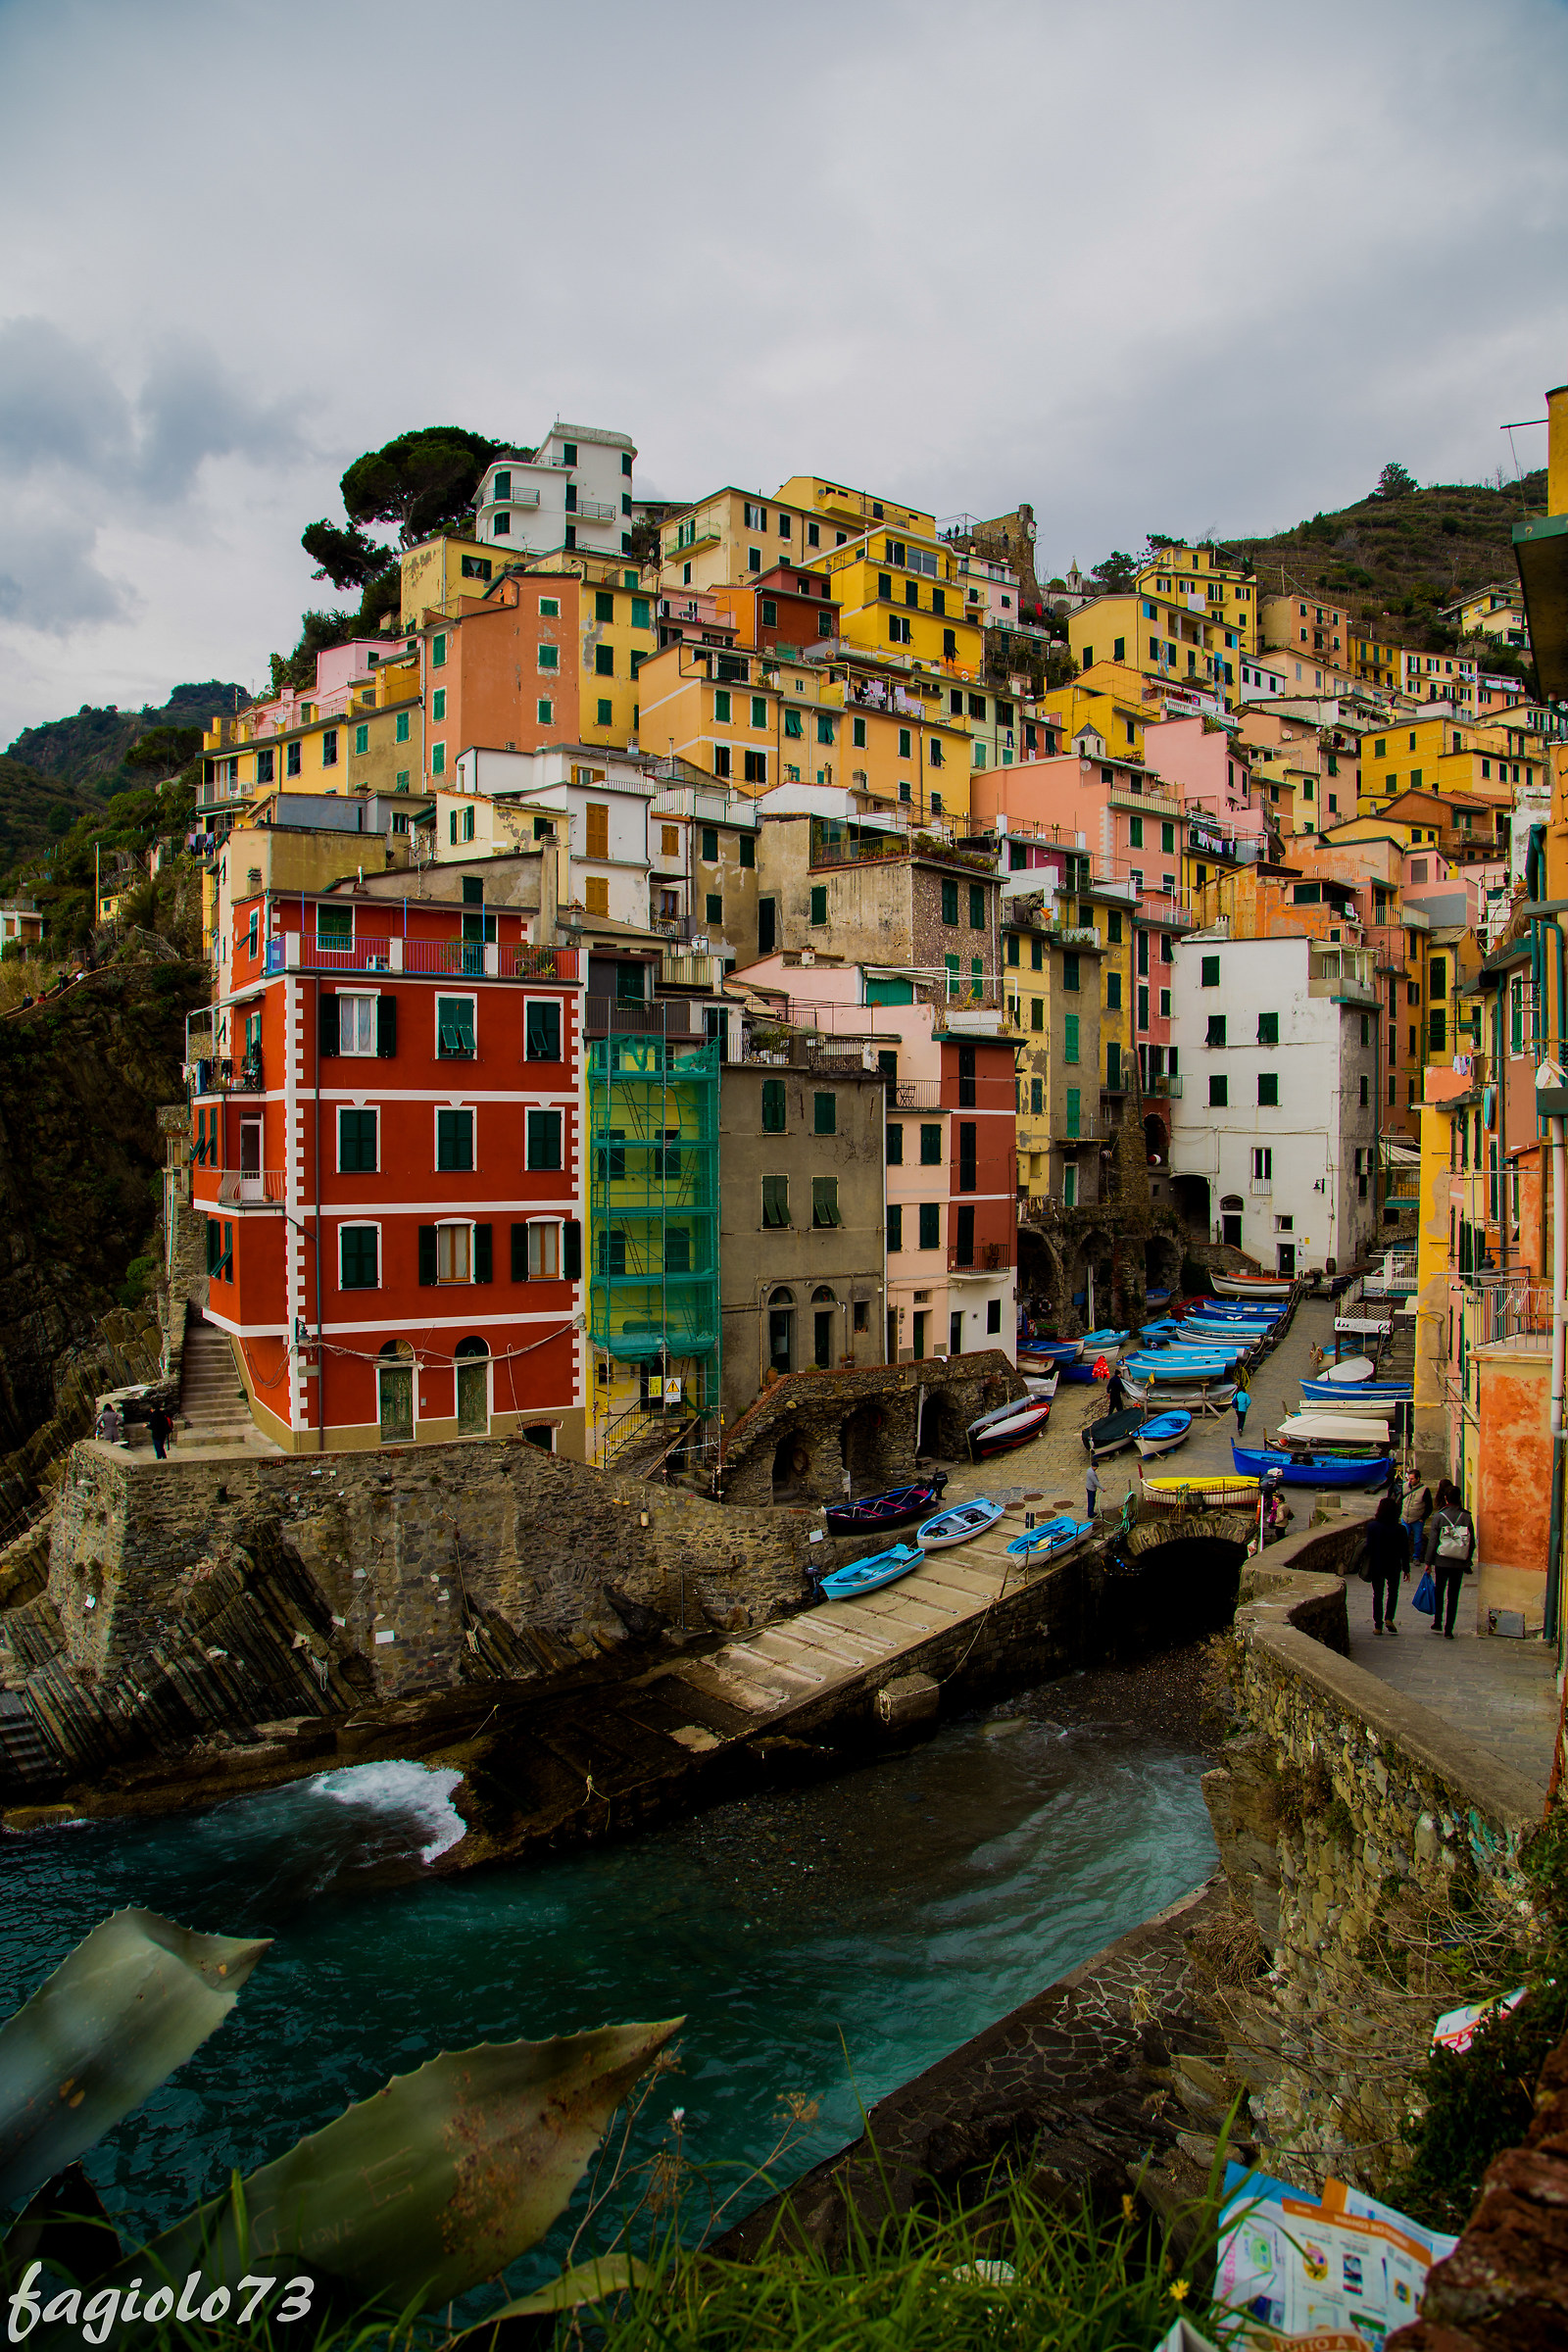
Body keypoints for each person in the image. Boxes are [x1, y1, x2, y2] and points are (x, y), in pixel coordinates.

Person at [1424, 1479, 1475, 1639]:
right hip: (1458, 1561)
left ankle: (1437, 1620)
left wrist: (1428, 1562)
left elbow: (1433, 1542)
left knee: (1439, 1591)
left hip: (1442, 1560)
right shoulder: (1466, 1517)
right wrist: (1467, 1560)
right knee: (1453, 1595)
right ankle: (1449, 1629)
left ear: (1446, 1498)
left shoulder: (1439, 1517)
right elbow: (1471, 1542)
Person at [1361, 1491, 1406, 1636]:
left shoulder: (1373, 1526)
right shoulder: (1400, 1529)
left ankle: (1378, 1625)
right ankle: (1389, 1618)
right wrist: (1407, 1569)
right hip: (1393, 1565)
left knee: (1378, 1594)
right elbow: (1404, 1551)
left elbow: (1368, 1547)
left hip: (1377, 1564)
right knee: (1393, 1593)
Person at [1399, 1469, 1431, 1565]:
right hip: (1405, 1517)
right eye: (1409, 1479)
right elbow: (1400, 1499)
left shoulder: (1424, 1490)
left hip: (1417, 1519)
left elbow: (1429, 1506)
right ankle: (1402, 1557)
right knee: (1403, 1537)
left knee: (1417, 1539)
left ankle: (1416, 1557)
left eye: (1412, 1479)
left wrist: (1423, 1518)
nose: (1410, 1481)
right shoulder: (1404, 1487)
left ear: (1418, 1479)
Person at [1086, 1458, 1102, 1522]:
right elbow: (1095, 1482)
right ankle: (1090, 1514)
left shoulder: (1089, 1470)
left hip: (1088, 1487)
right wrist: (1102, 1488)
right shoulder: (1091, 1473)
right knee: (1091, 1501)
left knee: (1091, 1500)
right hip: (1091, 1488)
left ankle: (1091, 1512)